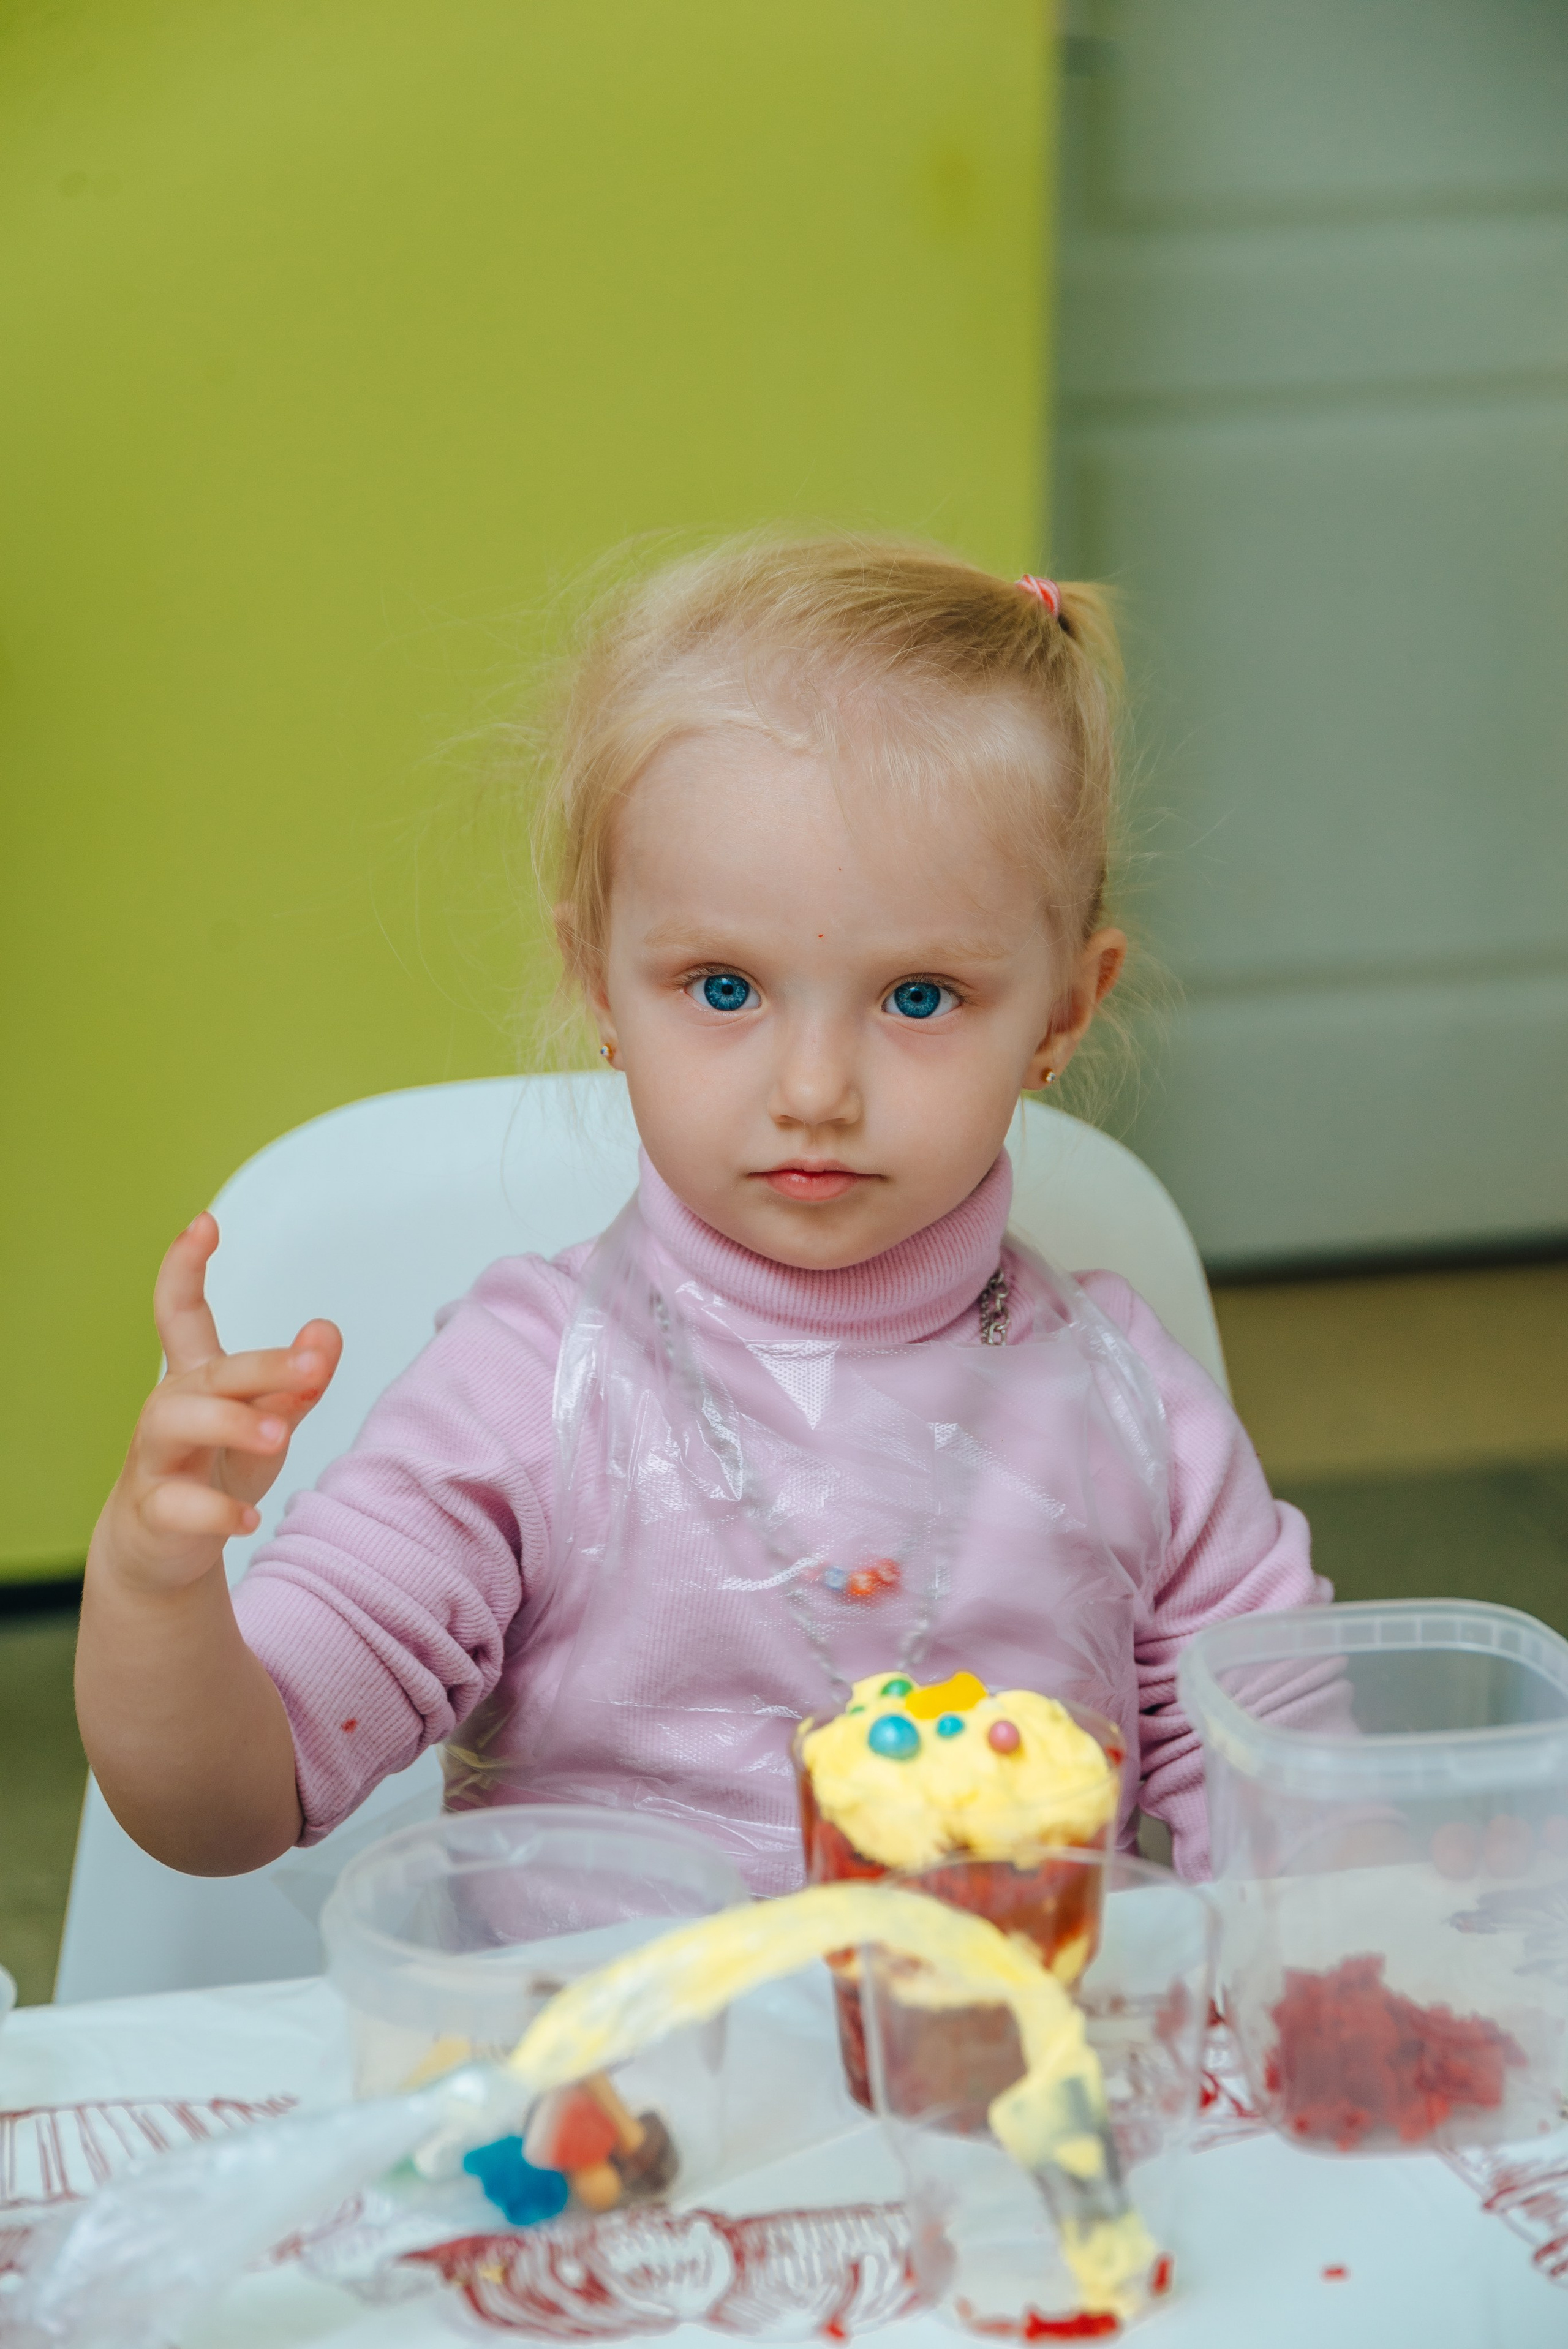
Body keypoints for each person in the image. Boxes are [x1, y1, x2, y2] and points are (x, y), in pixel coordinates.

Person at [76, 536, 1324, 1893]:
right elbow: (223, 1811)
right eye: (722, 988)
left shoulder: (1130, 1411)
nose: (811, 1092)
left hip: (996, 2097)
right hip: (613, 2099)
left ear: (1062, 1013)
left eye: (919, 998)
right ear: (599, 984)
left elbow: (1303, 1826)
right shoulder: (525, 1391)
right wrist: (156, 1590)